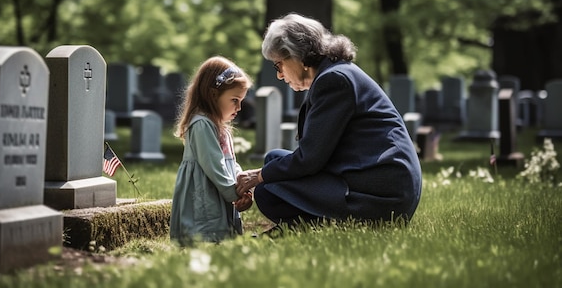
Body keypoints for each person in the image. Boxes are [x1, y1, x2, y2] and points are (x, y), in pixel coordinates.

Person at [236, 13, 422, 231]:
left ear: (296, 56)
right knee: (274, 160)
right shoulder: (334, 73)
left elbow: (310, 159)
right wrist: (265, 173)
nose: (279, 75)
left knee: (267, 188)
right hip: (372, 181)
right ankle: (301, 228)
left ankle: (303, 228)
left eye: (278, 65)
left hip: (380, 197)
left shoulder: (334, 80)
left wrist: (257, 176)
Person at [170, 56, 254, 246]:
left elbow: (231, 162)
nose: (239, 108)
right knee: (205, 235)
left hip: (222, 190)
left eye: (241, 101)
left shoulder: (221, 127)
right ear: (213, 95)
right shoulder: (201, 124)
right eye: (234, 100)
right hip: (204, 194)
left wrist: (243, 183)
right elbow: (214, 166)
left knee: (222, 239)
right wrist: (235, 194)